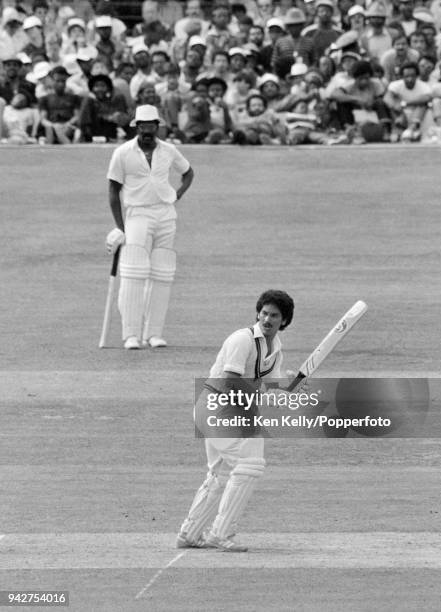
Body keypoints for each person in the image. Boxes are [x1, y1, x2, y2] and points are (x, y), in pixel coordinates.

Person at [176, 289, 294, 552]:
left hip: (233, 410)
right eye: (264, 313)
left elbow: (269, 383)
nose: (267, 319)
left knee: (220, 474)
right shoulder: (242, 339)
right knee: (250, 464)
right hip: (216, 404)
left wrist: (292, 384)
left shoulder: (275, 347)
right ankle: (220, 533)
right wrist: (263, 397)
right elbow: (231, 380)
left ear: (284, 321)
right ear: (257, 314)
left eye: (274, 315)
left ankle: (190, 533)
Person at [105, 104, 194, 349]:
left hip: (166, 214)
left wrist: (177, 195)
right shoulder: (123, 152)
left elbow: (188, 173)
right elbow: (113, 191)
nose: (146, 130)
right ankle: (130, 334)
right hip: (137, 214)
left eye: (150, 126)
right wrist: (120, 227)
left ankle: (153, 333)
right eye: (142, 126)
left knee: (162, 274)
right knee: (134, 273)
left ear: (157, 126)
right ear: (136, 127)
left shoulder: (168, 150)